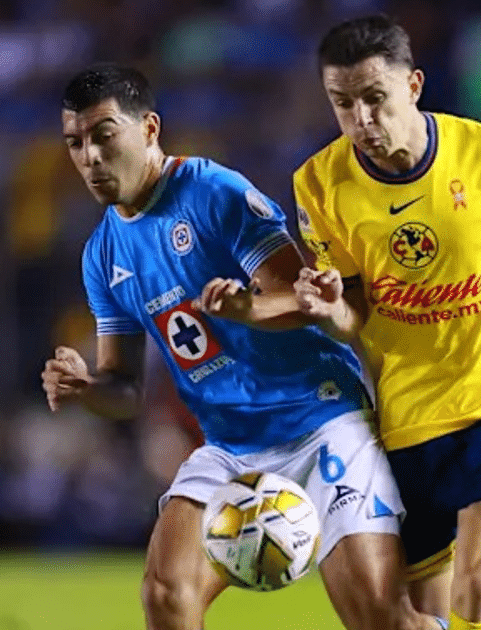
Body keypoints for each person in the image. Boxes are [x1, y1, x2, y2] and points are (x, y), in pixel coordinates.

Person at [42, 63, 444, 630]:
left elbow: (301, 298)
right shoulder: (102, 255)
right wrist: (88, 388)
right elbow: (125, 389)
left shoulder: (212, 192)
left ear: (149, 129)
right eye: (76, 142)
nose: (89, 156)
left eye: (104, 135)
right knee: (167, 593)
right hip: (231, 446)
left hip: (321, 419)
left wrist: (245, 310)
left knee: (379, 617)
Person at [289, 15, 481, 630]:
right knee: (422, 615)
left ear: (413, 86)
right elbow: (355, 315)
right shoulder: (319, 184)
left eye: (374, 99)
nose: (361, 121)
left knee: (479, 589)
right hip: (406, 414)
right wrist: (330, 312)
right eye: (342, 103)